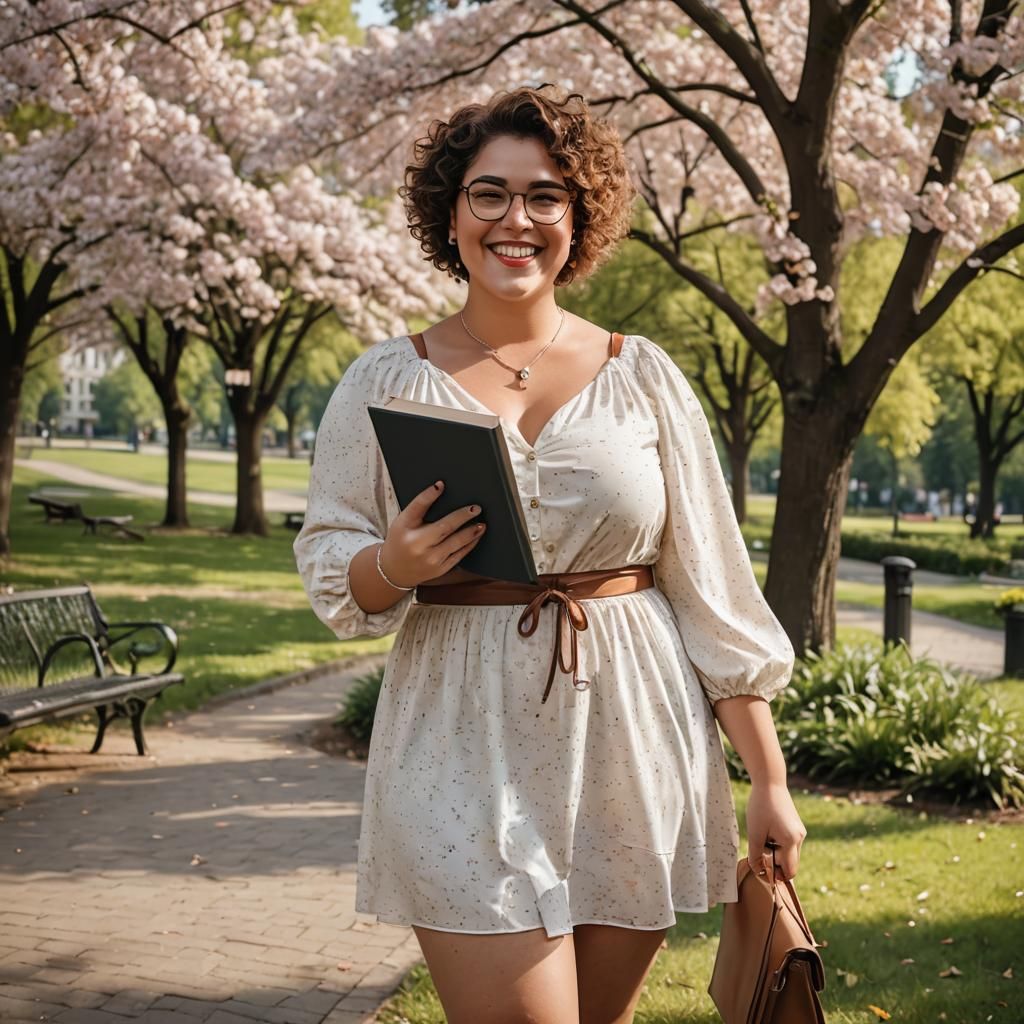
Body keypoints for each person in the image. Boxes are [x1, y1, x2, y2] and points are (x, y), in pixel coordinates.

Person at [294, 85, 806, 1024]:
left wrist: (769, 783)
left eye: (545, 196)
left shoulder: (642, 374)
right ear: (450, 213)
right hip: (457, 742)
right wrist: (394, 566)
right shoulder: (383, 378)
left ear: (581, 216)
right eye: (488, 194)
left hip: (628, 742)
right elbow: (332, 554)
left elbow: (712, 590)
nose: (515, 220)